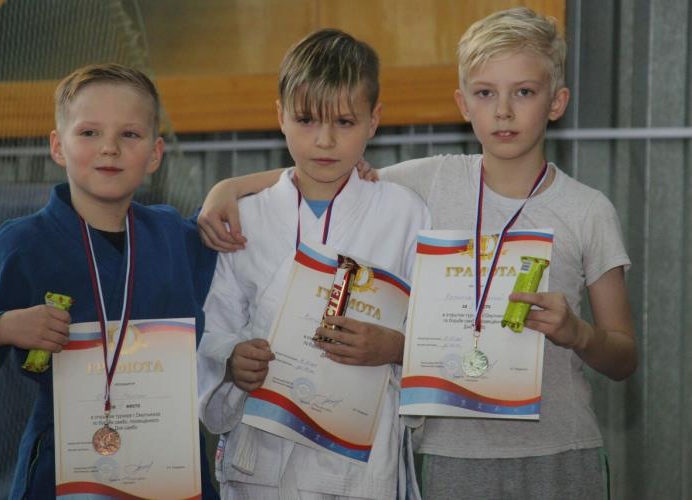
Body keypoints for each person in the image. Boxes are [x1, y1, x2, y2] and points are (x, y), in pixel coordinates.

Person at [196, 8, 637, 499]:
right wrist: (228, 189)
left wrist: (577, 332)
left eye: (524, 92)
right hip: (450, 451)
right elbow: (323, 175)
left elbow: (623, 356)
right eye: (485, 93)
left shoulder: (585, 210)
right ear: (462, 102)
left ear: (557, 101)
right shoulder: (429, 182)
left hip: (560, 443)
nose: (503, 111)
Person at [0, 63, 219, 499]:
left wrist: (227, 190)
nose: (109, 147)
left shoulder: (173, 236)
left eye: (129, 134)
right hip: (64, 469)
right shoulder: (25, 243)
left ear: (154, 154)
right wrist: (3, 327)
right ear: (58, 146)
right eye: (89, 132)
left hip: (169, 463)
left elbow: (267, 207)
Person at [197, 29, 430, 499]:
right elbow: (216, 323)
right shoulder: (246, 217)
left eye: (344, 122)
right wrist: (232, 361)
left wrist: (396, 347)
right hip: (261, 460)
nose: (324, 140)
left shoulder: (404, 212)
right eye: (305, 120)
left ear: (373, 120)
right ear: (280, 116)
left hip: (359, 461)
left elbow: (434, 334)